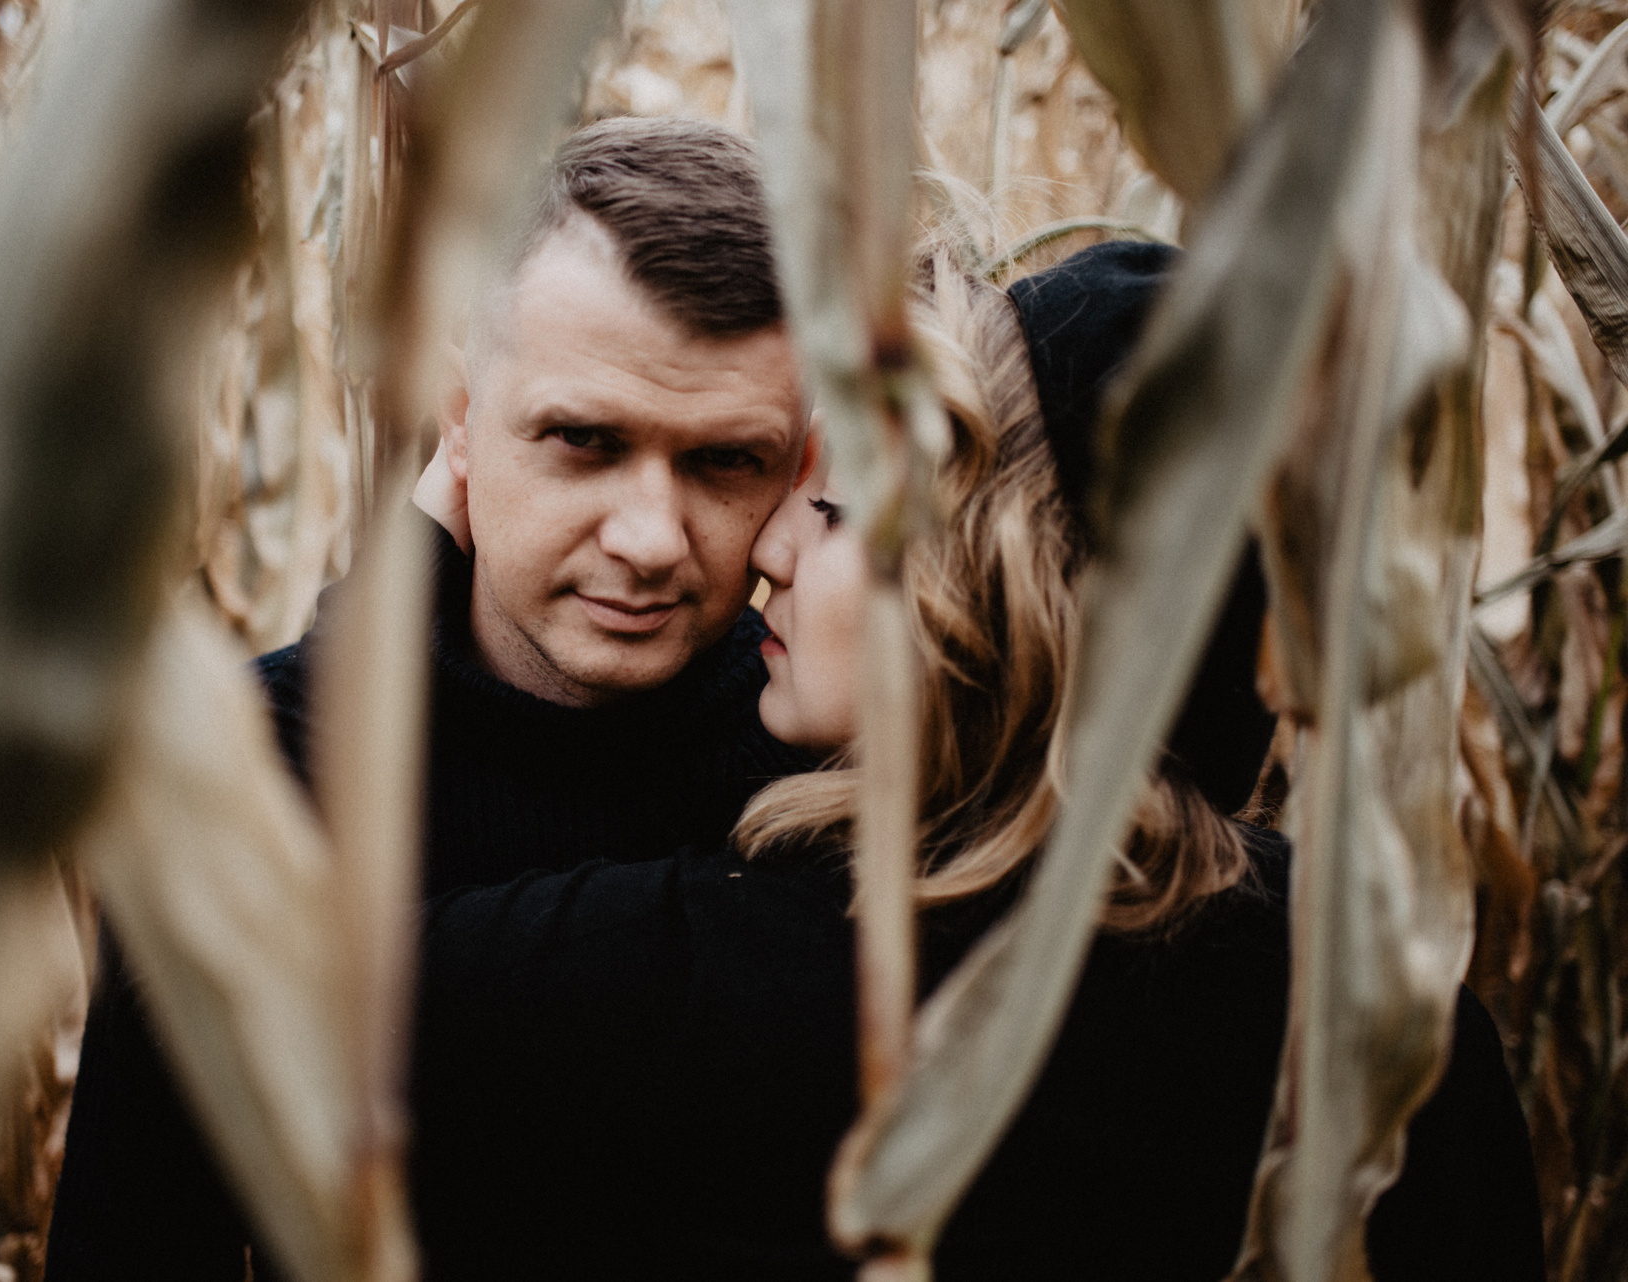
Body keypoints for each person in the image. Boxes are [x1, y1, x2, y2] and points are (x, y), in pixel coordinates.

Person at [403, 241, 1545, 1279]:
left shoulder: (662, 996)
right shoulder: (1396, 1025)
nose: (769, 546)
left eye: (836, 506)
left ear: (997, 598)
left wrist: (406, 587)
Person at [47, 116, 821, 1280]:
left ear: (801, 464)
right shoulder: (251, 777)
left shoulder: (835, 775)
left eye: (725, 460)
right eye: (585, 439)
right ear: (459, 419)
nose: (652, 539)